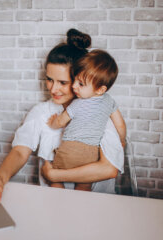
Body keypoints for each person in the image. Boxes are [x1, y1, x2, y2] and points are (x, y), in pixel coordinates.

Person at [0, 29, 125, 201]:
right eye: (49, 79)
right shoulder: (42, 112)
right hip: (53, 204)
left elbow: (109, 169)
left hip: (98, 204)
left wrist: (54, 176)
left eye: (63, 82)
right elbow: (21, 151)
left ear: (79, 81)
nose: (53, 89)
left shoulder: (100, 113)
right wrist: (1, 176)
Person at [47, 49, 126, 191]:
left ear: (100, 89)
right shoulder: (109, 101)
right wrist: (122, 139)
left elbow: (60, 122)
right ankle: (80, 208)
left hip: (69, 150)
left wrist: (52, 123)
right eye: (75, 80)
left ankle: (57, 199)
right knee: (84, 185)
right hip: (91, 154)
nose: (74, 86)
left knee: (55, 178)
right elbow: (120, 124)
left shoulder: (76, 104)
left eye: (81, 84)